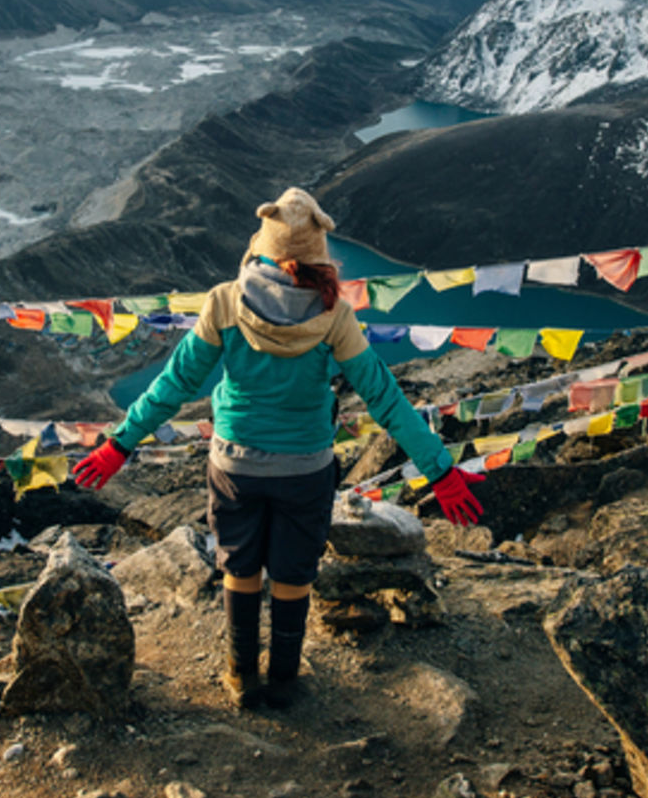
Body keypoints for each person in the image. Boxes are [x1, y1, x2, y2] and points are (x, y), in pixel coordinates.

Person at [73, 187, 485, 709]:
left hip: (235, 464)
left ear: (263, 247)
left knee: (240, 568)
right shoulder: (335, 313)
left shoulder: (224, 301)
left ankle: (241, 676)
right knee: (293, 574)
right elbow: (384, 397)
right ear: (318, 255)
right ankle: (286, 678)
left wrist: (119, 444)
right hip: (306, 468)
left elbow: (174, 386)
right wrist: (440, 470)